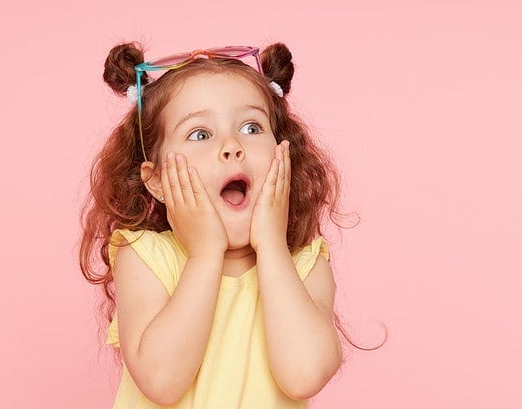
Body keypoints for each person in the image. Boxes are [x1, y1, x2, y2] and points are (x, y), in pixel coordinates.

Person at [80, 42, 346, 409]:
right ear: (156, 180)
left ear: (284, 153)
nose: (232, 146)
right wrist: (206, 253)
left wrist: (271, 244)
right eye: (200, 134)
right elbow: (161, 381)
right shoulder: (145, 255)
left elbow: (304, 375)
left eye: (252, 127)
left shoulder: (304, 265)